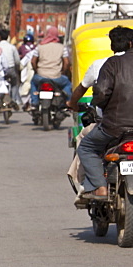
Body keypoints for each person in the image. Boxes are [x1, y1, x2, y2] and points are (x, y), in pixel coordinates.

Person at [67, 26, 133, 194]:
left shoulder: (110, 63)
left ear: (113, 46)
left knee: (86, 147)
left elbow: (101, 93)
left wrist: (101, 108)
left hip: (114, 127)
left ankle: (99, 186)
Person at [28, 25, 72, 110]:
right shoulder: (62, 47)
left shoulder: (40, 47)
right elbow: (66, 62)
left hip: (41, 76)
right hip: (57, 77)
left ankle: (34, 102)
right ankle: (68, 102)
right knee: (67, 83)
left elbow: (33, 61)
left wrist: (36, 70)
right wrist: (63, 72)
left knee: (33, 82)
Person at [0, 29, 22, 108]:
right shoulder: (12, 47)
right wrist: (17, 68)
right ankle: (13, 99)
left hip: (0, 70)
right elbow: (17, 60)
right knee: (14, 83)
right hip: (11, 69)